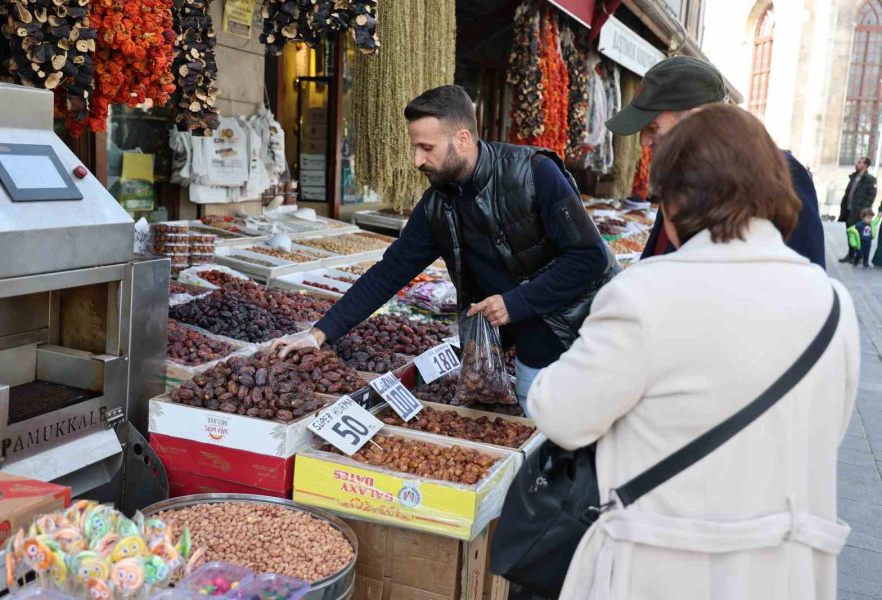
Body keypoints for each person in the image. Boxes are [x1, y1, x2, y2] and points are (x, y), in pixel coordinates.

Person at [526, 104, 858, 600]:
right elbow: (825, 428)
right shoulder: (834, 303)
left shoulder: (645, 294)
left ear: (678, 200)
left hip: (667, 569)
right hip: (786, 572)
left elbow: (559, 414)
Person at [272, 85, 617, 409]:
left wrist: (517, 302)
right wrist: (319, 334)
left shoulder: (534, 173)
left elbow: (590, 257)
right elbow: (389, 272)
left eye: (427, 148)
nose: (416, 161)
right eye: (415, 147)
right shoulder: (438, 205)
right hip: (520, 347)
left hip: (578, 335)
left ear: (462, 139)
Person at [606, 56, 826, 268]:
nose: (644, 140)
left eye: (653, 127)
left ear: (696, 117)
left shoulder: (780, 173)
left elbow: (804, 279)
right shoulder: (678, 172)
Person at [838, 157, 878, 263]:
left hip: (859, 213)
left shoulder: (870, 180)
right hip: (848, 210)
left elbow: (871, 197)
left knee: (859, 235)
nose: (857, 164)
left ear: (865, 165)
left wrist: (862, 210)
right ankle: (851, 254)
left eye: (859, 162)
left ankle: (859, 255)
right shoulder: (854, 177)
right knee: (850, 233)